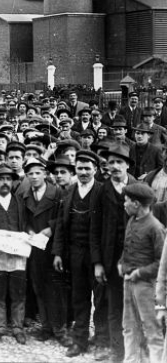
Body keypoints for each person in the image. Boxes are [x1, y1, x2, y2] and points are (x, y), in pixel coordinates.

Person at [52, 150, 108, 357]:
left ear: (95, 169)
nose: (83, 172)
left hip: (98, 257)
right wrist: (58, 252)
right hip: (74, 254)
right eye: (80, 168)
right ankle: (80, 341)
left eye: (87, 168)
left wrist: (102, 259)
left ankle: (102, 341)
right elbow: (60, 225)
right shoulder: (69, 192)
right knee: (79, 298)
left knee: (101, 299)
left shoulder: (103, 191)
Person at [90, 144, 138, 362]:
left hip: (135, 259)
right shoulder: (101, 190)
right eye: (112, 162)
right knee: (110, 304)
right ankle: (114, 350)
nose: (116, 166)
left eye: (120, 162)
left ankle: (134, 349)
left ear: (127, 165)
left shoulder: (139, 187)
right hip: (110, 259)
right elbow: (95, 228)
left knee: (134, 306)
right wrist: (98, 262)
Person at [19, 158, 70, 346]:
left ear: (45, 174)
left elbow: (64, 218)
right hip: (35, 248)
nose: (34, 176)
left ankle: (60, 329)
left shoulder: (57, 193)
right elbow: (22, 219)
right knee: (38, 287)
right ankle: (46, 327)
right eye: (30, 174)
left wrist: (50, 228)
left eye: (37, 172)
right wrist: (30, 231)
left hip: (53, 246)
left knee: (56, 289)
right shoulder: (25, 196)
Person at [120, 183, 165, 363]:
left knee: (152, 330)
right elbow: (128, 247)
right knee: (129, 327)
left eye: (126, 201)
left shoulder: (155, 227)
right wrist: (121, 264)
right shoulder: (132, 220)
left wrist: (138, 273)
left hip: (146, 286)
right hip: (128, 282)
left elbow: (162, 263)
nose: (124, 204)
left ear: (136, 204)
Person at [0, 165, 28, 345]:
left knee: (18, 292)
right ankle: (0, 327)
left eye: (8, 179)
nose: (5, 183)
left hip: (18, 254)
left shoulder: (20, 202)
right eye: (1, 179)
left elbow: (27, 226)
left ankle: (18, 327)